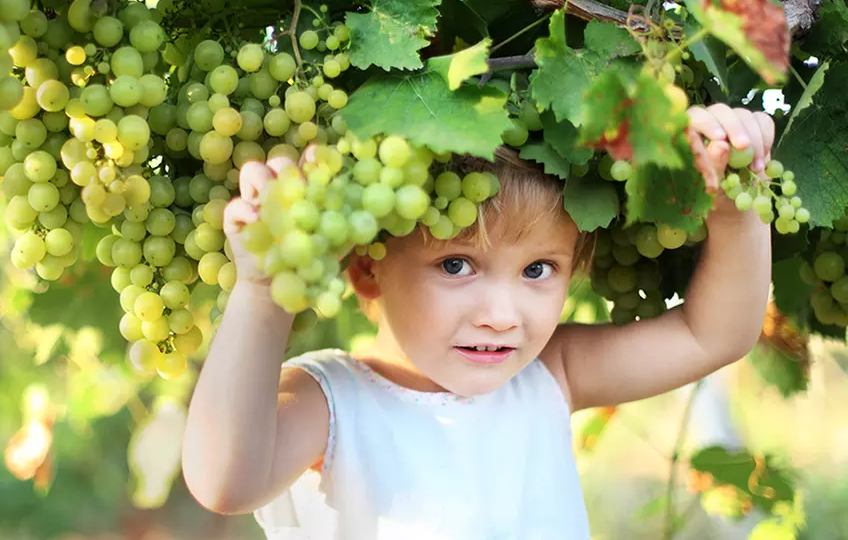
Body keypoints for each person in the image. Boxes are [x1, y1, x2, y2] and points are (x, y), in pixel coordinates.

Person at [181, 103, 773, 539]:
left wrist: (736, 207)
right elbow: (225, 481)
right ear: (367, 268)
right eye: (457, 264)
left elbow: (714, 334)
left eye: (538, 269)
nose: (500, 315)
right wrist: (264, 294)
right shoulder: (328, 402)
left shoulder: (550, 374)